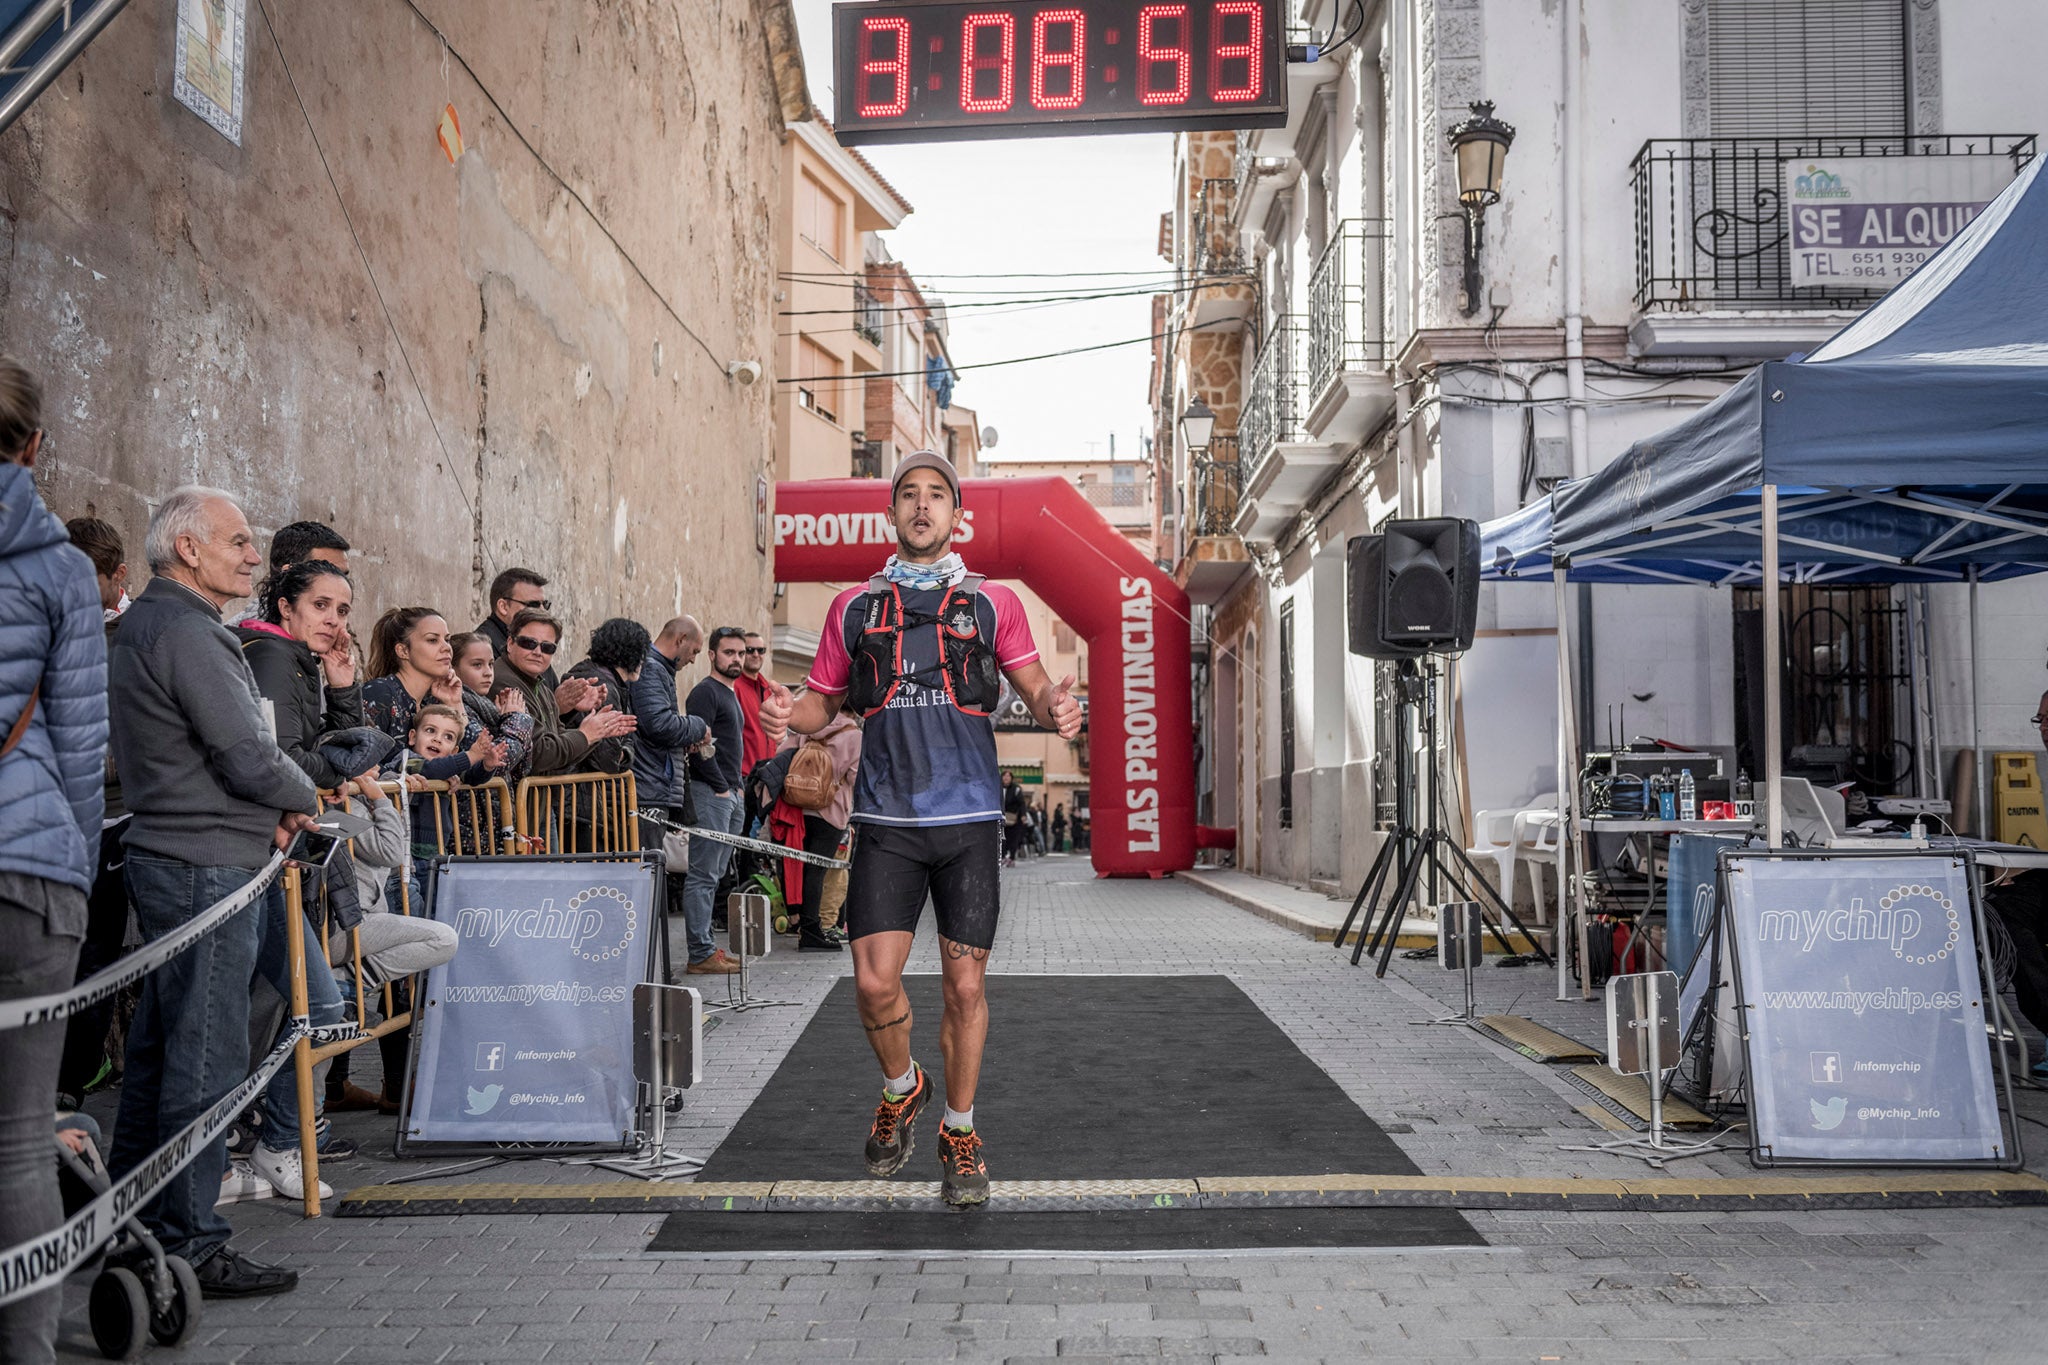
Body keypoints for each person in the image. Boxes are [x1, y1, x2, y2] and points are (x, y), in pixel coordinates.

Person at [770, 450, 1081, 1207]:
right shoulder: (853, 607)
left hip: (970, 822)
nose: (921, 505)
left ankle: (961, 1129)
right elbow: (824, 702)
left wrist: (1059, 711)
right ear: (891, 514)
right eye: (908, 494)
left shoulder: (994, 603)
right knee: (874, 984)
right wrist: (788, 714)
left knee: (964, 987)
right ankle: (902, 1085)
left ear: (955, 514)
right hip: (886, 820)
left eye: (935, 495)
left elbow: (1036, 688)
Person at [107, 485, 316, 1299]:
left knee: (164, 1050)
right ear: (189, 549)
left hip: (184, 854)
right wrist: (306, 793)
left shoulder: (150, 624)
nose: (252, 555)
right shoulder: (189, 631)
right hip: (203, 865)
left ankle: (127, 1226)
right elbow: (247, 751)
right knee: (204, 1056)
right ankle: (189, 1241)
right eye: (237, 541)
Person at [0, 358, 108, 1357]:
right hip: (23, 869)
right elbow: (82, 751)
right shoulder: (60, 569)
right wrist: (70, 881)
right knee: (17, 1142)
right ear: (33, 447)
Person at [56, 517, 130, 1105]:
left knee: (105, 950)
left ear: (118, 577)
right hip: (67, 815)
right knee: (76, 947)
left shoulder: (137, 633)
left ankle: (79, 1073)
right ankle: (73, 1077)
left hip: (131, 817)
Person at [361, 607, 507, 787]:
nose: (446, 648)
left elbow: (468, 768)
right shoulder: (380, 692)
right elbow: (359, 759)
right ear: (403, 651)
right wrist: (394, 777)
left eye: (447, 640)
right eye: (432, 640)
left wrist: (455, 703)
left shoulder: (433, 701)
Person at [679, 627, 752, 976]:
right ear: (712, 655)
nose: (737, 659)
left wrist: (735, 790)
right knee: (703, 875)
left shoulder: (730, 693)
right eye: (729, 652)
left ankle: (707, 948)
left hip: (729, 795)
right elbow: (697, 746)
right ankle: (700, 954)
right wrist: (723, 787)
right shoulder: (705, 693)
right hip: (711, 794)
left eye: (741, 653)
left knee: (716, 874)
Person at [630, 616, 709, 925]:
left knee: (652, 874)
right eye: (694, 651)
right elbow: (658, 724)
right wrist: (698, 726)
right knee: (646, 876)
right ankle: (646, 962)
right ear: (680, 641)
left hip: (655, 783)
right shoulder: (651, 669)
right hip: (649, 787)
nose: (692, 660)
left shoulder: (658, 669)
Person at [491, 609, 634, 778]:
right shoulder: (505, 682)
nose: (537, 652)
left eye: (547, 647)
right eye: (528, 643)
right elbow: (539, 754)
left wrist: (595, 730)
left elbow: (558, 746)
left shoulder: (539, 684)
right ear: (510, 643)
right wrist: (586, 735)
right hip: (517, 799)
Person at [775, 711, 860, 952]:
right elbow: (856, 779)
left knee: (800, 869)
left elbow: (782, 753)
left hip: (799, 808)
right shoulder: (853, 734)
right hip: (831, 813)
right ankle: (812, 932)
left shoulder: (809, 724)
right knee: (817, 872)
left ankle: (800, 923)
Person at [448, 630, 534, 781]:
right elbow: (497, 760)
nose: (488, 672)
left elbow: (521, 770)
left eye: (491, 664)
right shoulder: (451, 705)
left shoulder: (487, 707)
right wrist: (518, 719)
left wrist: (505, 718)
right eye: (477, 665)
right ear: (453, 669)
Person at [476, 567, 558, 688]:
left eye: (545, 604)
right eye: (533, 605)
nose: (542, 610)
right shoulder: (482, 645)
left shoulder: (539, 646)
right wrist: (559, 704)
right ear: (503, 607)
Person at [736, 629, 774, 776]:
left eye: (761, 650)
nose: (756, 655)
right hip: (743, 776)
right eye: (750, 650)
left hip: (766, 775)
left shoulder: (768, 689)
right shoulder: (734, 687)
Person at [1001, 770, 1026, 867]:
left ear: (1011, 778)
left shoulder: (1016, 789)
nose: (1006, 778)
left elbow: (1022, 803)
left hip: (1014, 818)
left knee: (1013, 839)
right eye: (1004, 776)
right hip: (1002, 817)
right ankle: (1003, 857)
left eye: (1008, 776)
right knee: (1002, 838)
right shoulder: (998, 788)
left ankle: (1011, 858)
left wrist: (1023, 815)